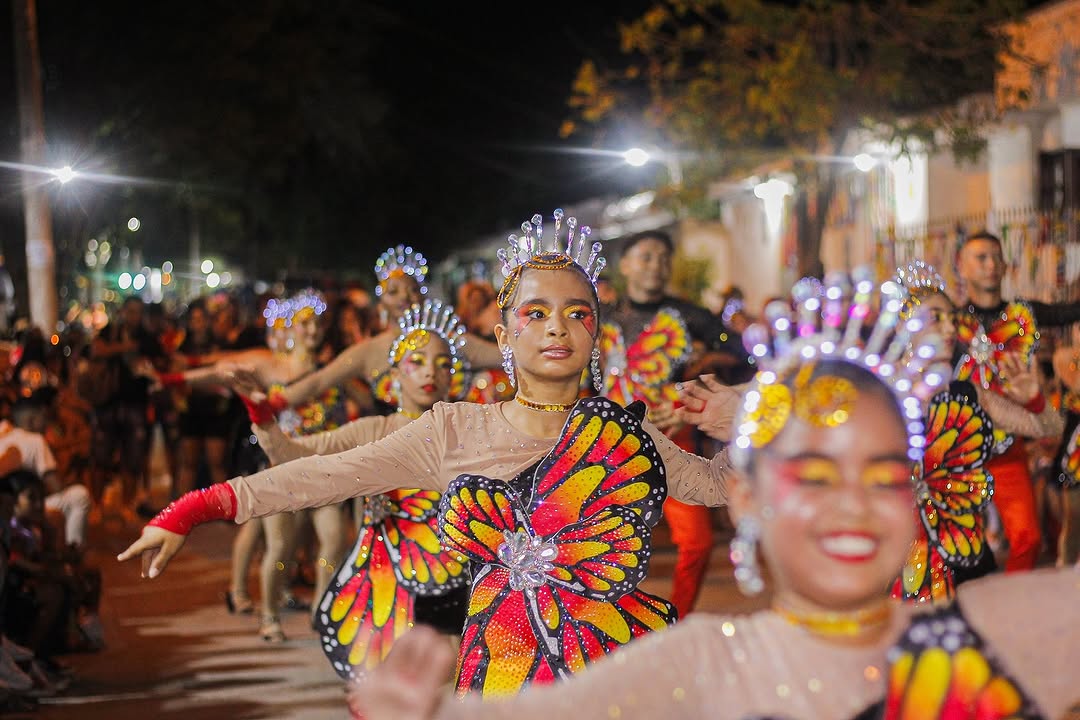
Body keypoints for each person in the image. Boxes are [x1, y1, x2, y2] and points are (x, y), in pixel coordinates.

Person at [348, 271, 1078, 720]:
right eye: (813, 475)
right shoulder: (705, 661)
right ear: (750, 499)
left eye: (884, 474)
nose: (852, 504)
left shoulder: (995, 632)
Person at [119, 210, 731, 692]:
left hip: (606, 663)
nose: (556, 328)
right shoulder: (454, 431)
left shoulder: (621, 433)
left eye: (577, 313)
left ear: (596, 332)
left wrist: (742, 427)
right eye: (536, 312)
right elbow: (324, 476)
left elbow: (721, 488)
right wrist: (193, 508)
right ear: (504, 334)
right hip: (503, 670)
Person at [249, 299, 470, 680]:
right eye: (415, 362)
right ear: (394, 375)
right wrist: (264, 421)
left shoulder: (469, 429)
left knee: (453, 680)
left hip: (454, 578)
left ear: (454, 375)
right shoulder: (375, 430)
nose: (429, 372)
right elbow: (298, 454)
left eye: (442, 363)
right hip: (387, 581)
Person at [598, 229, 745, 616]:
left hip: (674, 441)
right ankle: (612, 623)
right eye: (646, 257)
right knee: (603, 540)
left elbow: (742, 357)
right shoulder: (601, 320)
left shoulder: (690, 316)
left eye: (664, 258)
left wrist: (692, 396)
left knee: (696, 540)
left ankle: (673, 619)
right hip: (612, 443)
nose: (656, 266)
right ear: (626, 265)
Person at [955, 231, 1075, 571]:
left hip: (1008, 445)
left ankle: (1006, 607)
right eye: (981, 257)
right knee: (962, 547)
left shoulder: (1023, 316)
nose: (991, 265)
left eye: (996, 257)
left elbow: (1068, 311)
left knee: (1028, 538)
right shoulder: (952, 323)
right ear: (962, 266)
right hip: (960, 449)